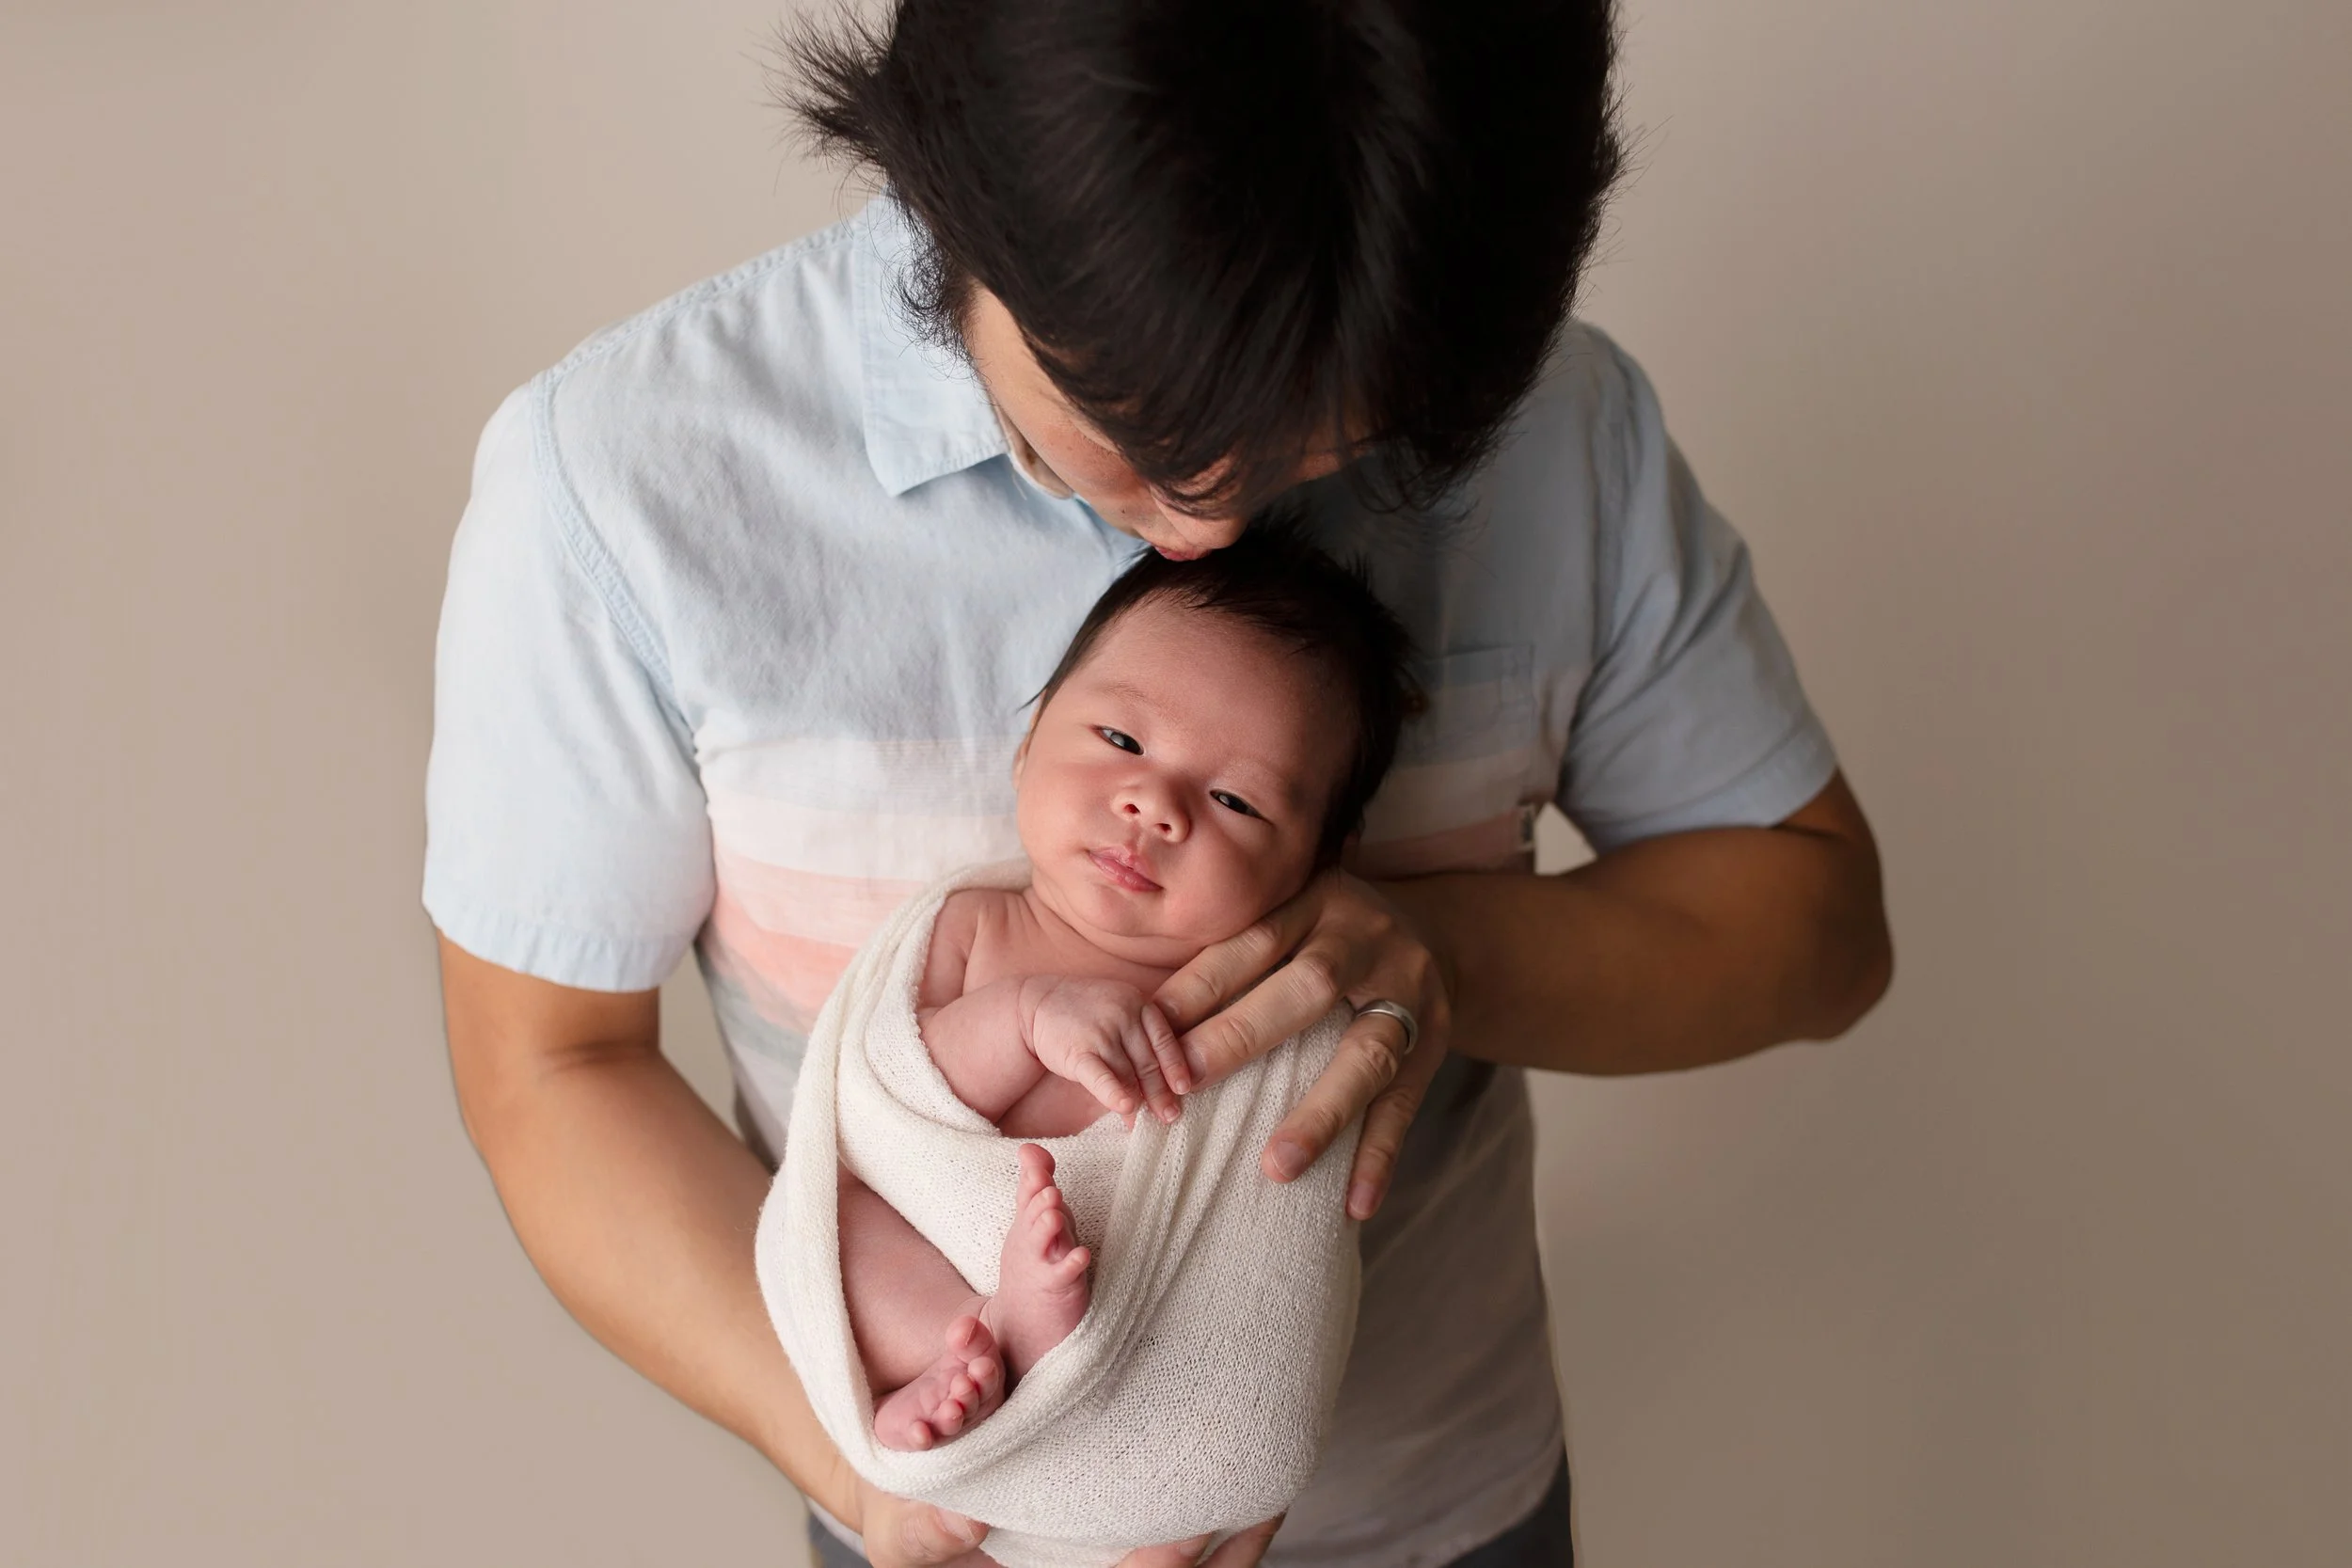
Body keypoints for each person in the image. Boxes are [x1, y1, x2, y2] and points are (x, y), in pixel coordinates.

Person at [425, 4, 1894, 1566]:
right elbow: (554, 1071)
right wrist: (885, 1472)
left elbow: (1818, 925)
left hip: (1450, 1524)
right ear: (963, 186)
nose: (1203, 527)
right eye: (1122, 432)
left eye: (1325, 454)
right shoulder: (626, 482)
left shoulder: (1557, 431)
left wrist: (1420, 954)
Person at [842, 531, 1418, 1456]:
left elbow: (1269, 1244)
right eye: (1120, 738)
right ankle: (977, 1342)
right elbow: (894, 1099)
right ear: (1028, 743)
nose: (1155, 803)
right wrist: (1027, 1017)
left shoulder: (1274, 1005)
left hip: (1158, 1363)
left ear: (1317, 866)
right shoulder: (970, 929)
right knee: (836, 1227)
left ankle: (1090, 1439)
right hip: (936, 1299)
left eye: (1237, 801)